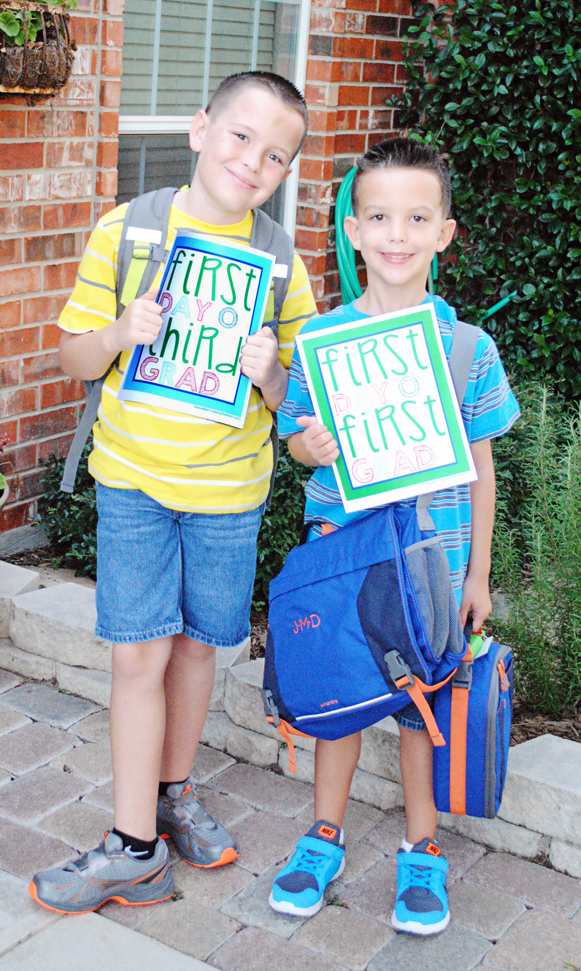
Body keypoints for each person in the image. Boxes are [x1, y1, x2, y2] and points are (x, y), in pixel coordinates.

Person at [28, 71, 317, 915]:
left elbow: (299, 405)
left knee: (197, 648)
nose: (252, 162)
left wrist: (272, 378)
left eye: (275, 156)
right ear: (198, 130)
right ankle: (133, 848)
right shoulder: (128, 231)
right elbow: (73, 357)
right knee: (136, 653)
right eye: (239, 137)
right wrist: (121, 332)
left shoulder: (279, 263)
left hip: (230, 491)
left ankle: (172, 793)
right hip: (135, 483)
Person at [270, 137, 519, 936]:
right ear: (352, 228)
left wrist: (478, 574)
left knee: (423, 709)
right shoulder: (321, 342)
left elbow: (481, 468)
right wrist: (305, 445)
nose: (396, 234)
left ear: (443, 231)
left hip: (438, 559)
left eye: (416, 217)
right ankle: (324, 835)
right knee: (342, 695)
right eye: (378, 216)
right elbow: (296, 435)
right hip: (344, 550)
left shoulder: (466, 348)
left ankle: (422, 847)